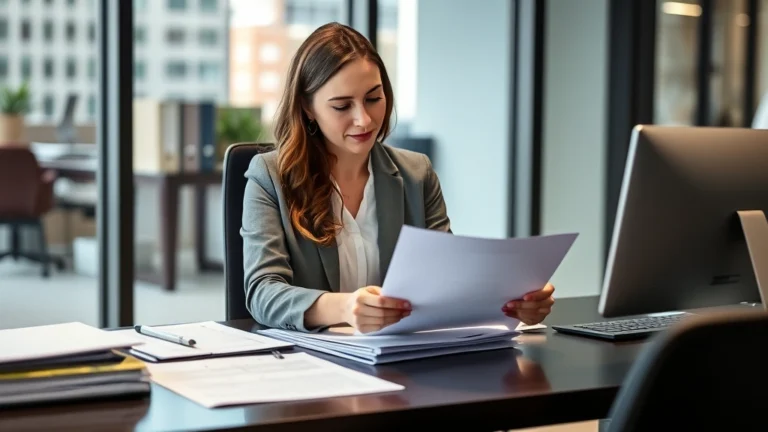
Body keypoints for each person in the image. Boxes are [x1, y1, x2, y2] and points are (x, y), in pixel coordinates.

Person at [241, 22, 555, 333]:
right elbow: (262, 292)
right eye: (342, 106)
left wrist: (513, 302)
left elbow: (447, 280)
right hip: (310, 357)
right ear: (308, 108)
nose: (364, 119)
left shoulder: (417, 174)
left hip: (401, 354)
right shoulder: (269, 177)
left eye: (373, 99)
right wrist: (345, 308)